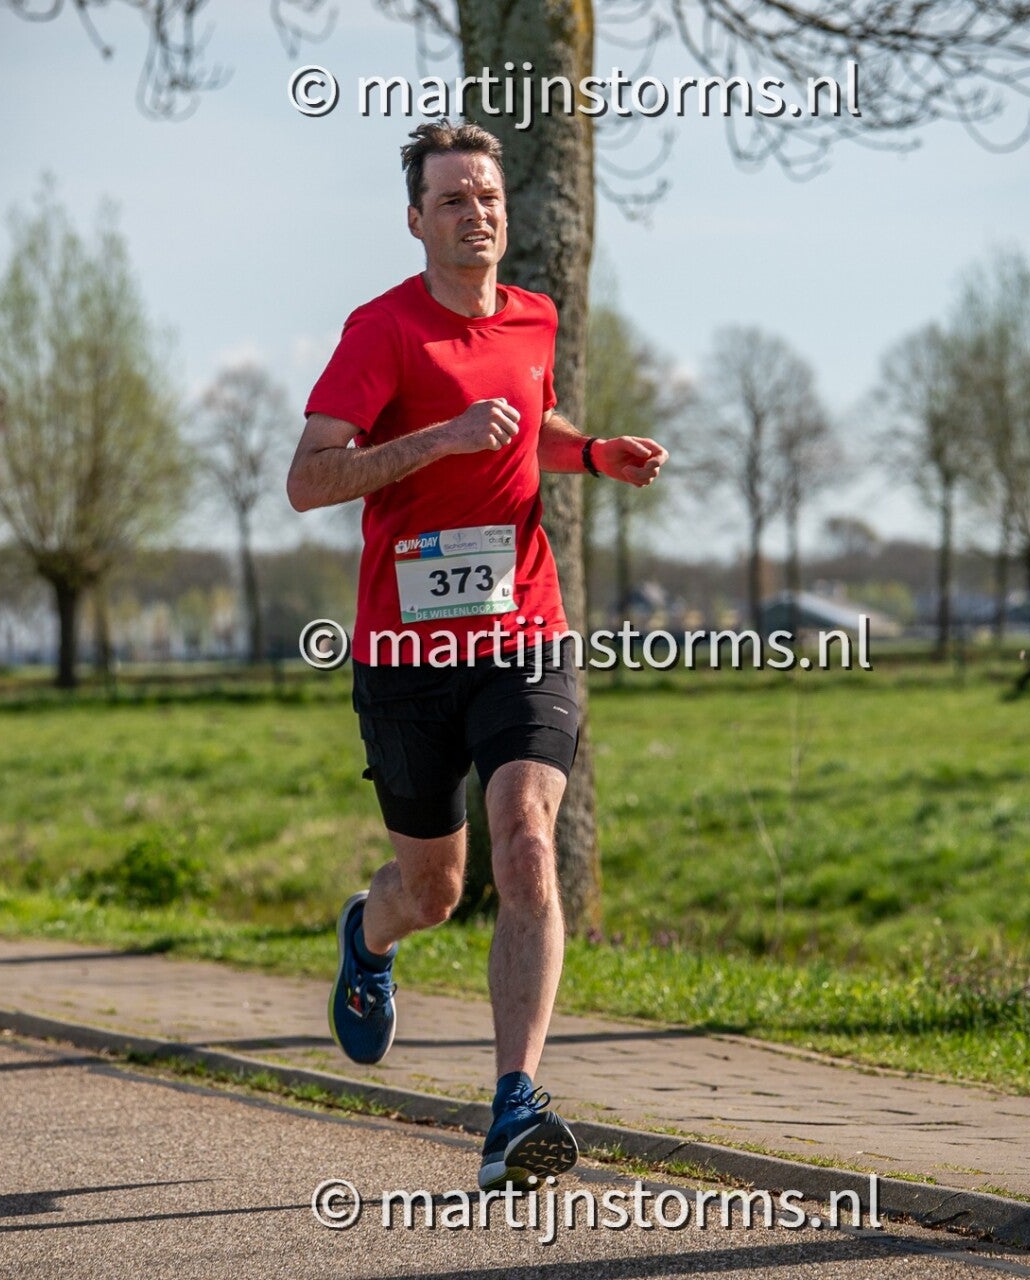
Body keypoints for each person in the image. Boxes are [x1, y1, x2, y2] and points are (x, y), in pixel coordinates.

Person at [287, 119, 667, 1192]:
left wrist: (591, 453)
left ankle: (514, 1104)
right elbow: (310, 478)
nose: (476, 214)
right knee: (433, 890)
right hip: (405, 654)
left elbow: (528, 427)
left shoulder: (536, 317)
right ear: (416, 220)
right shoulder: (381, 331)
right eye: (453, 199)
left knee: (529, 841)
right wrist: (437, 440)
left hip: (522, 633)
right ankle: (368, 937)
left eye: (488, 196)